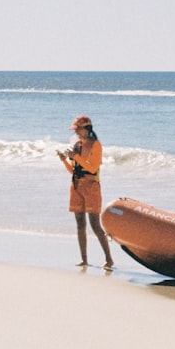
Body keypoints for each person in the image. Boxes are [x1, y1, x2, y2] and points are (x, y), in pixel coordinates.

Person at [57, 114, 115, 271]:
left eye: (78, 129)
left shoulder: (96, 145)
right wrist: (64, 159)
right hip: (76, 186)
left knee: (95, 225)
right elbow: (74, 171)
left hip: (91, 188)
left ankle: (109, 260)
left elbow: (92, 168)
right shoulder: (77, 145)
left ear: (86, 129)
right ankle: (84, 260)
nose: (75, 132)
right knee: (80, 224)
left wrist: (74, 156)